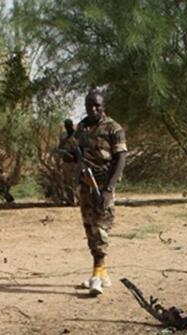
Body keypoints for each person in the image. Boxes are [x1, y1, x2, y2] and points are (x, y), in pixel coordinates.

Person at [70, 91, 128, 296]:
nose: (93, 109)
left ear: (104, 106)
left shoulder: (114, 128)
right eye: (89, 105)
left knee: (101, 228)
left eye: (97, 106)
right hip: (85, 185)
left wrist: (109, 189)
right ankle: (102, 274)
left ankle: (97, 274)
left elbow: (121, 159)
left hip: (103, 185)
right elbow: (75, 154)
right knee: (89, 227)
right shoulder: (82, 128)